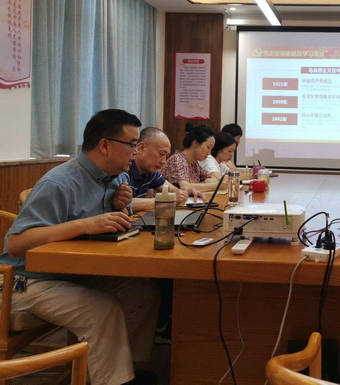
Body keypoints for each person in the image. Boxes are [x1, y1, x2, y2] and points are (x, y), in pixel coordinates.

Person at [0, 109, 160, 385]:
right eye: (132, 145)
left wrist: (120, 206)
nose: (136, 152)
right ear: (105, 145)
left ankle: (123, 372)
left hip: (72, 273)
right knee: (103, 310)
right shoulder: (59, 182)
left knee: (142, 293)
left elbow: (108, 222)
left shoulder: (116, 177)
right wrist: (84, 224)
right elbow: (16, 243)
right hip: (26, 281)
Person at [127, 127, 205, 212]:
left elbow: (172, 189)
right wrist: (166, 200)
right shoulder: (125, 167)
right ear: (141, 148)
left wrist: (184, 192)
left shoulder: (150, 172)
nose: (164, 161)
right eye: (161, 154)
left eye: (166, 156)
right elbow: (125, 204)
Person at [160, 123, 219, 192]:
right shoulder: (177, 160)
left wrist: (208, 181)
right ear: (195, 143)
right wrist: (215, 186)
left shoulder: (194, 163)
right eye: (208, 147)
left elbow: (212, 178)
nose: (209, 153)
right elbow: (185, 186)